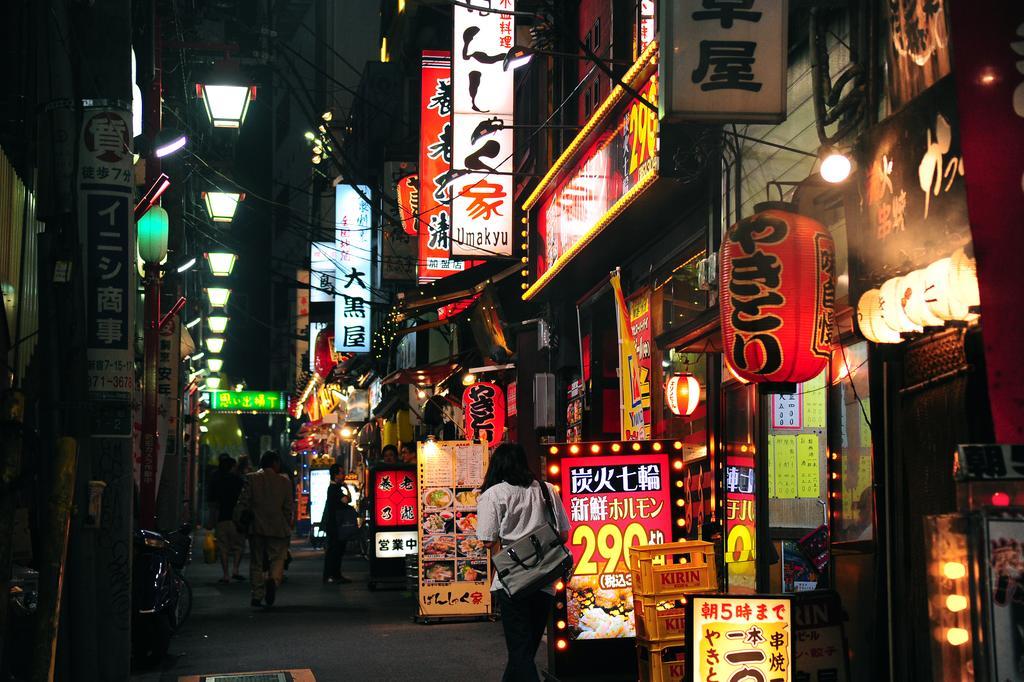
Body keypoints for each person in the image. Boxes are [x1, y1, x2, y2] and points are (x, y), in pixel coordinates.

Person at [477, 443, 570, 682]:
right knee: (524, 650)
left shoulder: (493, 494)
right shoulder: (548, 490)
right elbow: (563, 534)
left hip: (513, 582)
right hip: (545, 579)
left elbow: (487, 539)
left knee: (520, 651)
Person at [234, 451, 293, 607]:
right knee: (278, 558)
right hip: (278, 527)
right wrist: (287, 523)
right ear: (275, 463)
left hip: (257, 527)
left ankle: (257, 594)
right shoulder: (284, 481)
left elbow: (243, 502)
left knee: (257, 561)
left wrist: (239, 521)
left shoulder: (252, 478)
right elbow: (288, 507)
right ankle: (273, 579)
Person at [209, 455, 245, 583]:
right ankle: (235, 569)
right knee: (238, 547)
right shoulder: (238, 481)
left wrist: (211, 520)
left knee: (223, 547)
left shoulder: (216, 480)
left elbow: (212, 502)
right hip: (236, 519)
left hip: (221, 519)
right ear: (232, 467)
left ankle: (225, 575)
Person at [322, 463, 358, 583]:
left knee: (334, 549)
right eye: (341, 473)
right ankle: (333, 575)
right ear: (335, 475)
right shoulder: (334, 489)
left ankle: (332, 575)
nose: (344, 475)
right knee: (336, 550)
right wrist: (347, 488)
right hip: (336, 525)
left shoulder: (333, 488)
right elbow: (347, 500)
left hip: (334, 524)